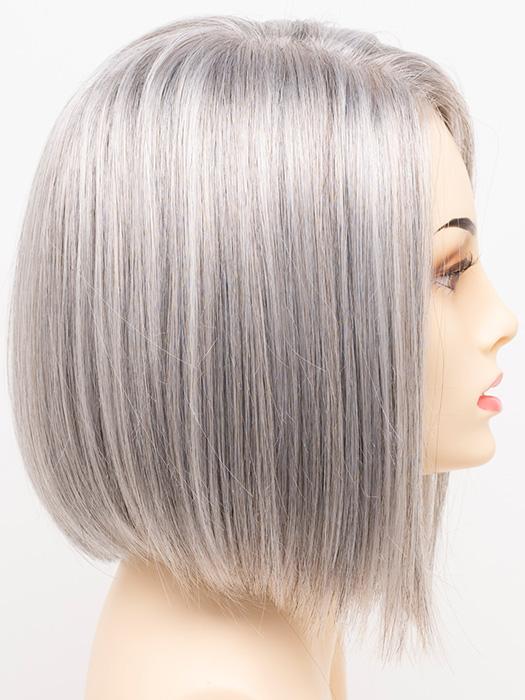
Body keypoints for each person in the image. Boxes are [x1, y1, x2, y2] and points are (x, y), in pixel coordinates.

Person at [7, 16, 518, 700]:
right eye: (446, 273)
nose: (501, 320)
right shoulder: (226, 684)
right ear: (267, 327)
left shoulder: (287, 603)